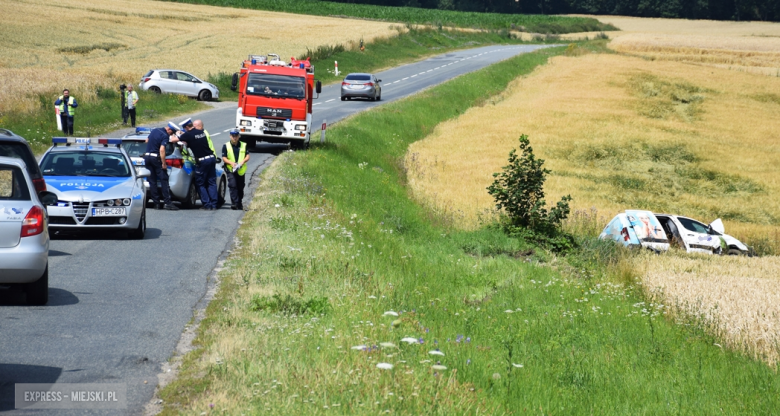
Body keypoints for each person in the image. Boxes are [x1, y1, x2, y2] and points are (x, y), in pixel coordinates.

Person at [169, 118, 218, 210]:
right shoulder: (201, 132)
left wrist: (176, 133)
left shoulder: (188, 135)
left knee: (200, 183)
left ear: (187, 127)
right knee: (211, 182)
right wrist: (183, 134)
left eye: (184, 128)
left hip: (202, 161)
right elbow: (191, 136)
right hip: (211, 158)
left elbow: (172, 140)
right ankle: (214, 204)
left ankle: (207, 205)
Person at [143, 122, 179, 211]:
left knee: (152, 181)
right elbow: (162, 150)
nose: (171, 134)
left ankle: (156, 204)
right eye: (172, 132)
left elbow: (146, 140)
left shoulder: (155, 130)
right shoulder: (165, 135)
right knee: (164, 179)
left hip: (147, 157)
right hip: (156, 158)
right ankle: (167, 203)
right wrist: (163, 163)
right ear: (169, 129)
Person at [222, 129, 250, 210]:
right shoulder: (226, 145)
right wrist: (231, 163)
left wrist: (243, 162)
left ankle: (239, 202)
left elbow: (247, 156)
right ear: (230, 136)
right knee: (233, 185)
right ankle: (234, 203)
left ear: (239, 136)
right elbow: (224, 158)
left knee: (240, 187)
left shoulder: (243, 145)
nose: (234, 138)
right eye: (233, 136)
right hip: (230, 169)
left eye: (236, 136)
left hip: (240, 170)